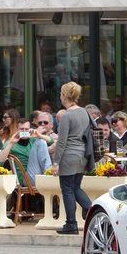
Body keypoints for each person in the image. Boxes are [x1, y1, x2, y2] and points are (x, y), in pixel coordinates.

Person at [52, 81, 92, 235]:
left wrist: (56, 162)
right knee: (75, 187)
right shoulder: (84, 112)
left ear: (64, 96)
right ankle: (91, 210)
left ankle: (71, 223)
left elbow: (62, 142)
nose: (60, 97)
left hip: (69, 156)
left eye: (61, 94)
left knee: (67, 189)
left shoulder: (67, 115)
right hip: (82, 154)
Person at [0, 119, 52, 185]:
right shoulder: (11, 142)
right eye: (22, 129)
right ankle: (49, 174)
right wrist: (11, 143)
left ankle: (49, 173)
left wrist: (39, 135)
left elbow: (51, 141)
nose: (24, 131)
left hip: (37, 174)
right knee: (41, 141)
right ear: (17, 130)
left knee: (41, 140)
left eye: (26, 129)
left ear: (30, 130)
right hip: (25, 178)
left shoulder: (32, 139)